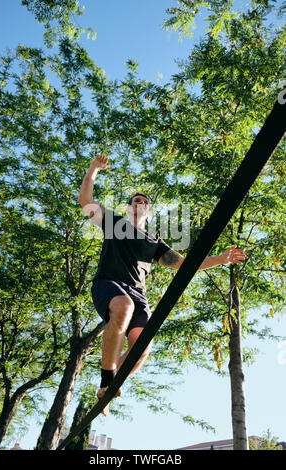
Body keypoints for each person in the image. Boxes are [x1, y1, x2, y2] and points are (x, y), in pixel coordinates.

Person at [78, 154, 246, 415]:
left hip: (138, 295)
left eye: (145, 202)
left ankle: (108, 391)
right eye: (136, 200)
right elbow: (85, 201)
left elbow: (184, 264)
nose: (140, 203)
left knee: (143, 347)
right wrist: (93, 169)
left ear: (149, 211)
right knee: (122, 307)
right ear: (129, 207)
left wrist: (221, 259)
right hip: (109, 284)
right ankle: (106, 378)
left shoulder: (154, 241)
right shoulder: (114, 223)